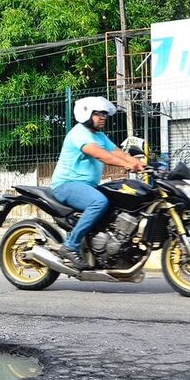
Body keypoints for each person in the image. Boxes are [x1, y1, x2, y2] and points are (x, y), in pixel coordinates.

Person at [51, 96, 146, 270]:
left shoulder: (100, 136)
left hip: (87, 187)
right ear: (86, 114)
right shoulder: (79, 134)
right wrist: (127, 164)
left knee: (118, 200)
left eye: (104, 114)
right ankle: (70, 246)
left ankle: (106, 249)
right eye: (98, 114)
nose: (103, 117)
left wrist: (138, 163)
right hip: (66, 185)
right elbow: (101, 155)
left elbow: (117, 152)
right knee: (99, 201)